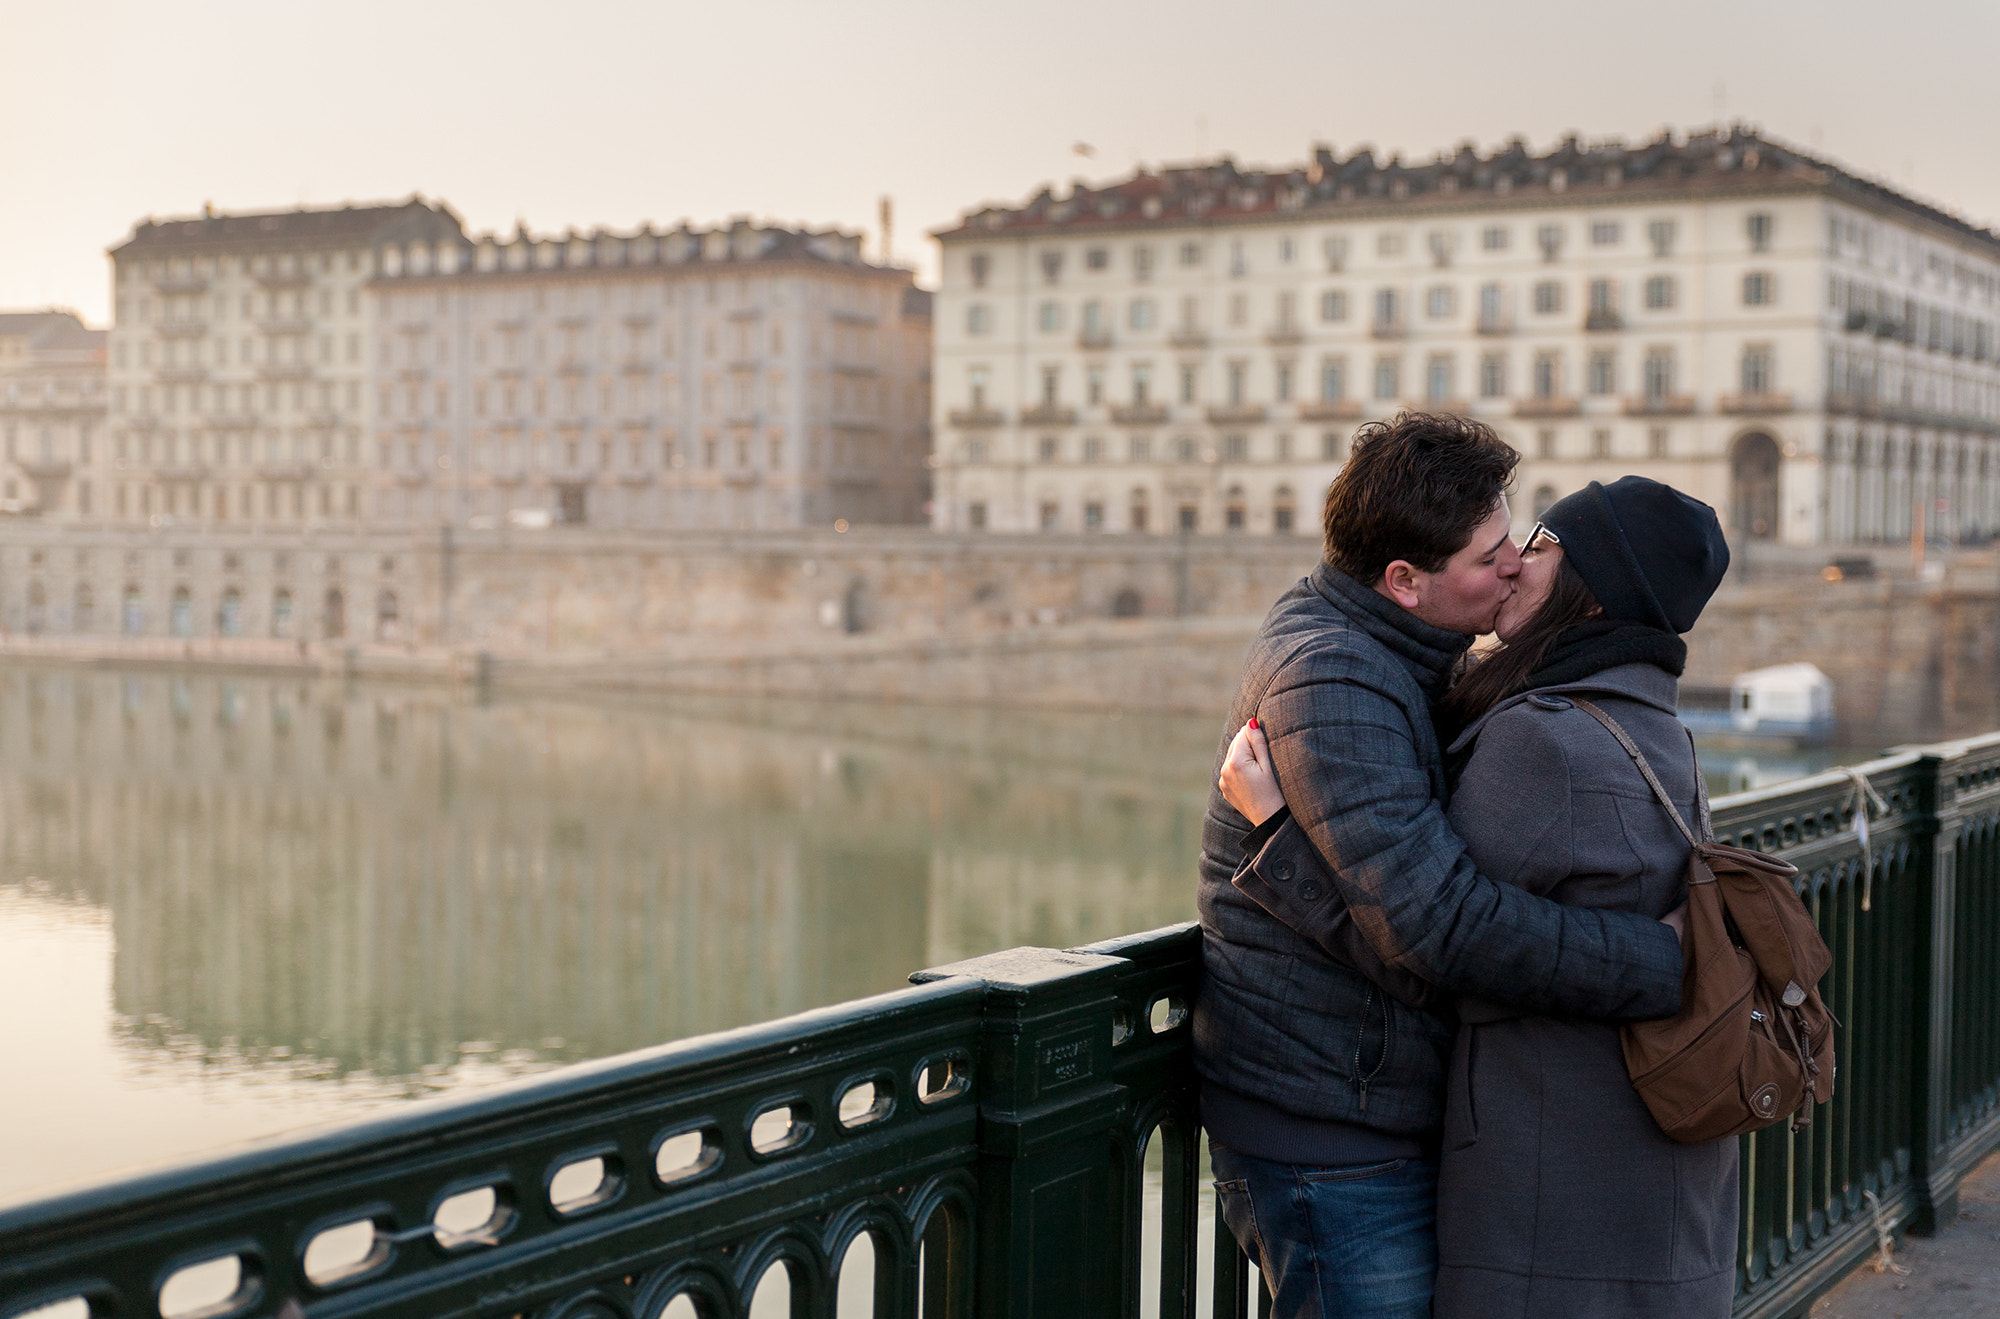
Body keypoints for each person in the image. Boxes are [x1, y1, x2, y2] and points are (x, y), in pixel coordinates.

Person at [1194, 412, 1687, 1319]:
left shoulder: (1401, 653)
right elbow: (1442, 927)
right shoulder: (1335, 679)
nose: (1516, 564)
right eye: (1491, 554)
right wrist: (1660, 963)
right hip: (1333, 1131)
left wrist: (1279, 846)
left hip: (1372, 1104)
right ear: (1405, 582)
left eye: (1515, 537)